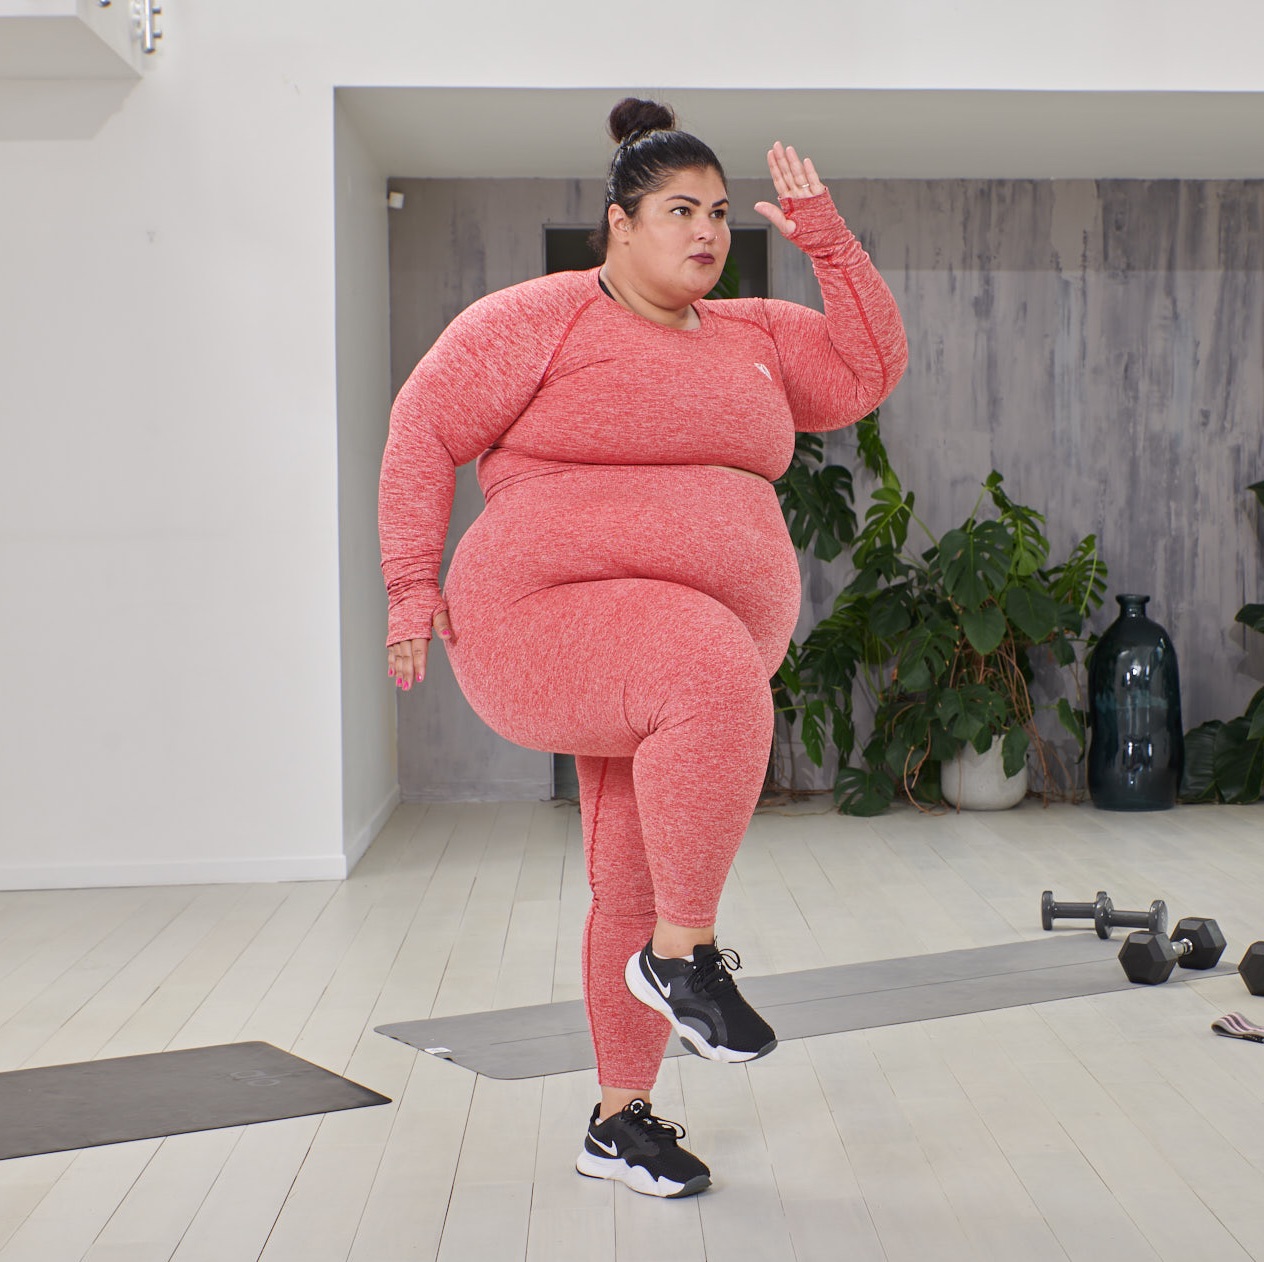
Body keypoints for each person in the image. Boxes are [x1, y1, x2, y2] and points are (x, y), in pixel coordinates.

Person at [379, 97, 907, 1198]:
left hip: (664, 657)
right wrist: (409, 582)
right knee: (703, 665)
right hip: (541, 615)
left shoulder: (755, 336)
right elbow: (424, 426)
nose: (707, 230)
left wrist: (826, 238)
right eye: (679, 210)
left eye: (718, 212)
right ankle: (683, 958)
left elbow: (866, 372)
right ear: (618, 223)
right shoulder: (540, 319)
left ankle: (618, 1121)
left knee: (633, 877)